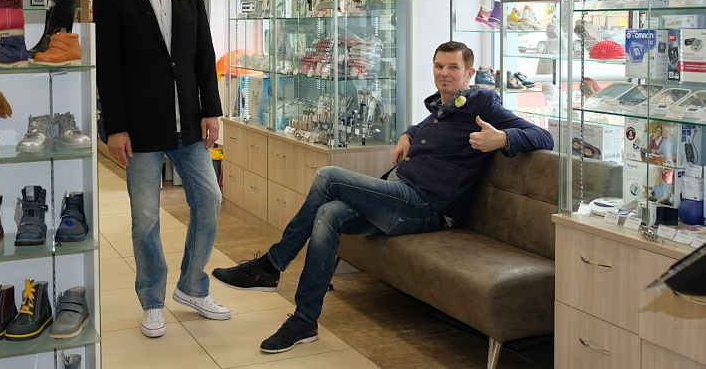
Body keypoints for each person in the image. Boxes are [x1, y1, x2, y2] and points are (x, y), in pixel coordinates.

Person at [212, 40, 554, 354]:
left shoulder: (482, 103)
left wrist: (502, 139)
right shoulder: (443, 106)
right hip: (401, 197)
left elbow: (542, 136)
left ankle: (270, 267)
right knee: (329, 214)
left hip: (427, 208)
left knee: (328, 177)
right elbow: (430, 128)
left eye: (453, 67)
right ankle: (304, 320)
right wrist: (408, 134)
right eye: (439, 66)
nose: (444, 73)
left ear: (469, 73)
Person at [94, 0, 227, 339]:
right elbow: (109, 66)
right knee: (146, 220)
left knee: (209, 201)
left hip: (188, 121)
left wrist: (211, 110)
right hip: (140, 127)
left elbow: (203, 51)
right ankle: (152, 300)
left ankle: (192, 286)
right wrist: (115, 126)